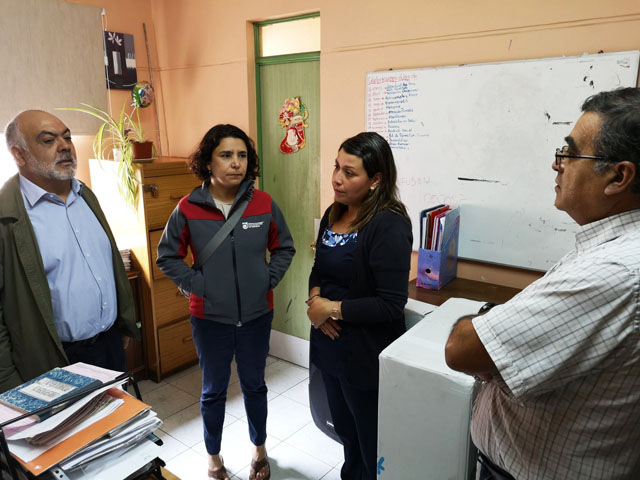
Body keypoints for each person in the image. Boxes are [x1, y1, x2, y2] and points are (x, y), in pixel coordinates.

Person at [445, 87, 640, 480]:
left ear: (618, 176)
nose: (557, 164)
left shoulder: (613, 271)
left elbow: (462, 349)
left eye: (571, 153)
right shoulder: (608, 248)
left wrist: (484, 323)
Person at [156, 124, 294, 480]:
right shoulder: (188, 208)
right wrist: (197, 285)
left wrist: (267, 279)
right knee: (213, 391)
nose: (236, 163)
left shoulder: (263, 203)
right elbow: (167, 255)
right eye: (226, 155)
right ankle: (214, 456)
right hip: (209, 319)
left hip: (256, 316)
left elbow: (284, 247)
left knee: (255, 386)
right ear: (208, 161)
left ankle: (259, 449)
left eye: (242, 155)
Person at [0, 110, 139, 393]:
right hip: (54, 360)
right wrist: (8, 383)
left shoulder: (85, 195)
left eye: (67, 137)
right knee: (74, 424)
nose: (64, 146)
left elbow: (109, 265)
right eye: (49, 140)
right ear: (19, 154)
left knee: (118, 419)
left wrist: (122, 324)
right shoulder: (8, 218)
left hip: (110, 344)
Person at [306, 132, 412, 480]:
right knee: (345, 434)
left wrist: (331, 309)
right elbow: (319, 268)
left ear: (376, 179)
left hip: (363, 356)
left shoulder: (389, 224)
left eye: (349, 172)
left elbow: (391, 304)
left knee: (371, 445)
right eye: (336, 167)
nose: (337, 178)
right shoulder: (333, 213)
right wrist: (314, 301)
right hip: (329, 348)